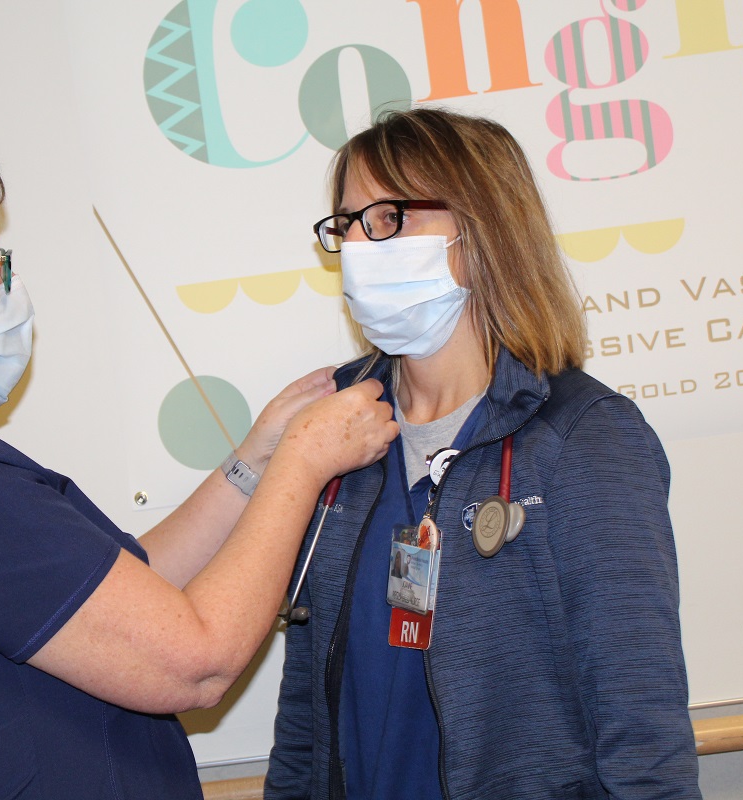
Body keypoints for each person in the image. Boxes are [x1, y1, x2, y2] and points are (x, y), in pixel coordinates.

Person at [0, 145, 398, 800]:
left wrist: (253, 465)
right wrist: (304, 462)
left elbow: (125, 593)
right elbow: (198, 665)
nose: (6, 287)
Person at [265, 108, 700, 799]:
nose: (358, 247)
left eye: (388, 218)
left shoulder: (582, 438)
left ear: (481, 225)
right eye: (346, 226)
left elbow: (640, 720)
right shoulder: (337, 429)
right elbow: (306, 702)